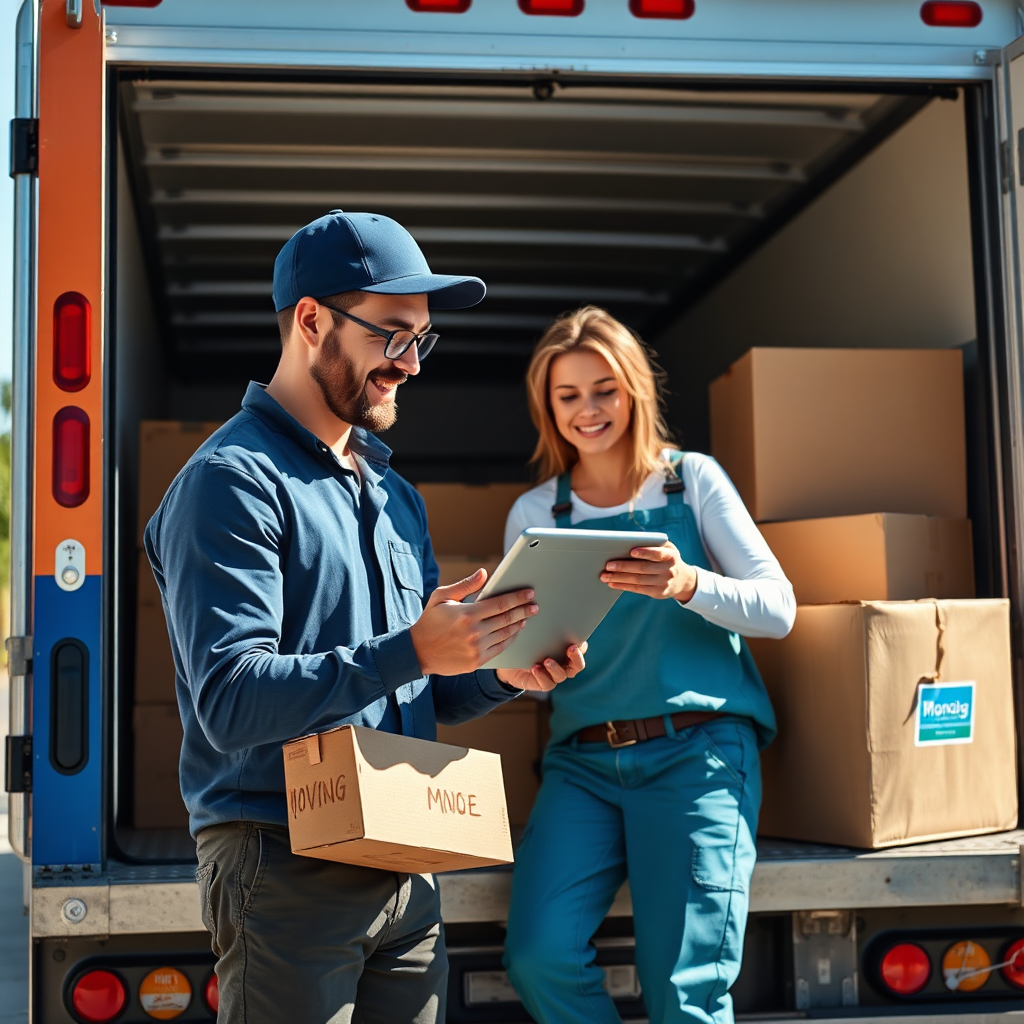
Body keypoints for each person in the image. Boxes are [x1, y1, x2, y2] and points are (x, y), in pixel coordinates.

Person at [144, 210, 586, 1024]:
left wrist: (495, 672)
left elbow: (412, 690)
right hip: (283, 861)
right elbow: (232, 701)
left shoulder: (393, 495)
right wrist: (412, 648)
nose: (410, 363)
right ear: (310, 321)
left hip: (404, 854)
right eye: (391, 335)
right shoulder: (231, 482)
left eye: (422, 339)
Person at [501, 306, 795, 1024]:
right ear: (548, 407)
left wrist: (687, 583)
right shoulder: (538, 513)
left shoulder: (690, 482)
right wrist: (536, 666)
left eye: (603, 389)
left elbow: (778, 608)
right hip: (583, 765)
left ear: (633, 388)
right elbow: (523, 670)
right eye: (567, 396)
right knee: (537, 955)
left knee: (684, 993)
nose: (588, 410)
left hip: (697, 755)